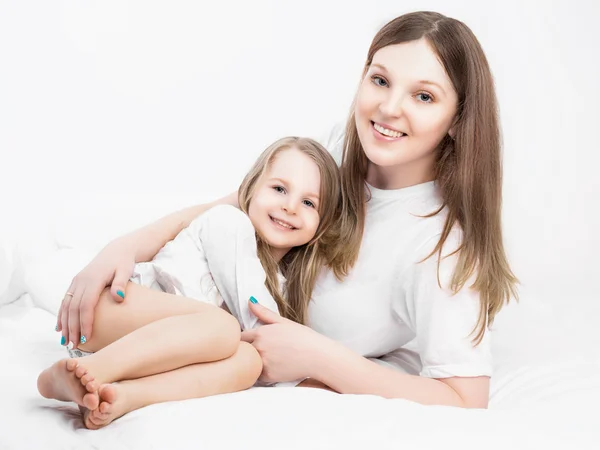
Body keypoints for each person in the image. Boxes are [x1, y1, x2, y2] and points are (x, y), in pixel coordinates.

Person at [54, 11, 518, 410]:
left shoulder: (441, 249)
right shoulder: (342, 147)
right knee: (215, 329)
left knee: (240, 356)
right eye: (379, 80)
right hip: (168, 306)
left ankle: (114, 397)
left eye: (424, 96)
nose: (388, 108)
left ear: (458, 119)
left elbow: (465, 398)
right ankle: (72, 353)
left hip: (214, 346)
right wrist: (124, 247)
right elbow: (238, 206)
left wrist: (320, 358)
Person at [38, 137, 349, 429]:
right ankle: (89, 372)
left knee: (250, 361)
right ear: (251, 189)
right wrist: (304, 378)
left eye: (309, 203)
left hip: (153, 355)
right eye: (280, 189)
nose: (290, 206)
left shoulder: (278, 282)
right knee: (225, 328)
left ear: (322, 223)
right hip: (113, 310)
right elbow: (262, 326)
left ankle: (119, 396)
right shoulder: (228, 223)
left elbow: (260, 349)